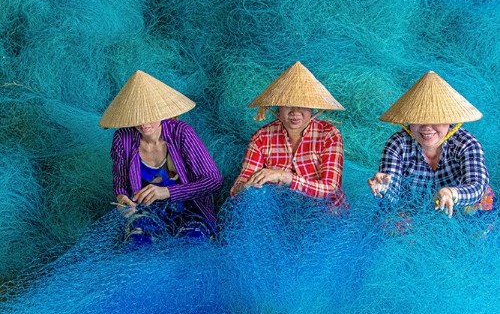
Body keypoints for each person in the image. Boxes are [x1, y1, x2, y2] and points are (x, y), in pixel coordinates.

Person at [99, 70, 222, 244]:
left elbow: (213, 181)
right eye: (138, 116)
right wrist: (122, 199)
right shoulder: (122, 138)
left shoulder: (182, 132)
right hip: (147, 213)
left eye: (150, 115)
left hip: (190, 211)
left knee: (192, 241)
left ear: (162, 111)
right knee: (137, 244)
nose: (144, 123)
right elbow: (120, 184)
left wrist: (167, 192)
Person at [368, 71, 495, 219]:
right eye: (418, 119)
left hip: (461, 205)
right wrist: (385, 188)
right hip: (414, 209)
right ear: (408, 121)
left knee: (483, 205)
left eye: (437, 119)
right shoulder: (396, 144)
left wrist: (451, 193)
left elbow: (477, 185)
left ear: (450, 120)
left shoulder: (467, 143)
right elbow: (393, 194)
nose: (427, 128)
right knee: (390, 222)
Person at [231, 61, 348, 211]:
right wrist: (248, 186)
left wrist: (284, 176)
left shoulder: (329, 135)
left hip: (325, 214)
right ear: (277, 107)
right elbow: (236, 190)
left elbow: (331, 189)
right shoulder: (261, 137)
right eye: (287, 104)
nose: (295, 112)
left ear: (313, 108)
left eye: (303, 104)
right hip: (278, 216)